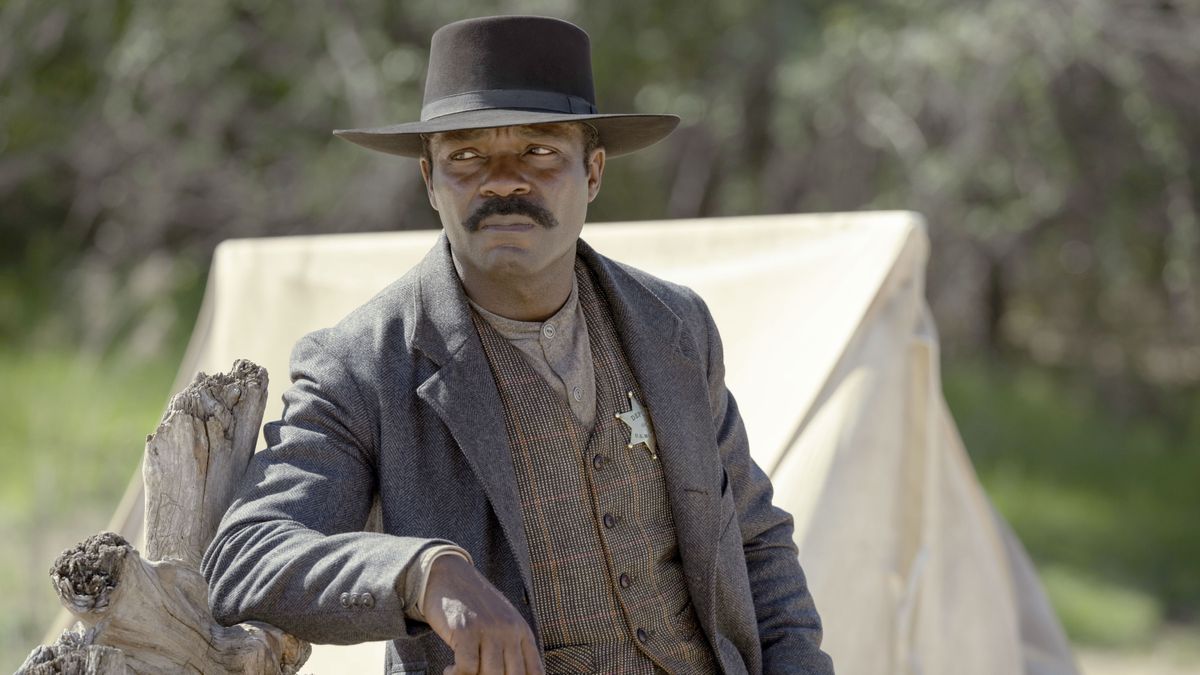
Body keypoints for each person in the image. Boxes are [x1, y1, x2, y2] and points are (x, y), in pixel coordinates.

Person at [202, 15, 834, 675]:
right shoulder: (363, 364)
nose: (503, 181)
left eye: (538, 152)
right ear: (430, 179)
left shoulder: (674, 325)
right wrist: (424, 573)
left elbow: (758, 544)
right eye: (468, 157)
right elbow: (245, 555)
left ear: (592, 172)